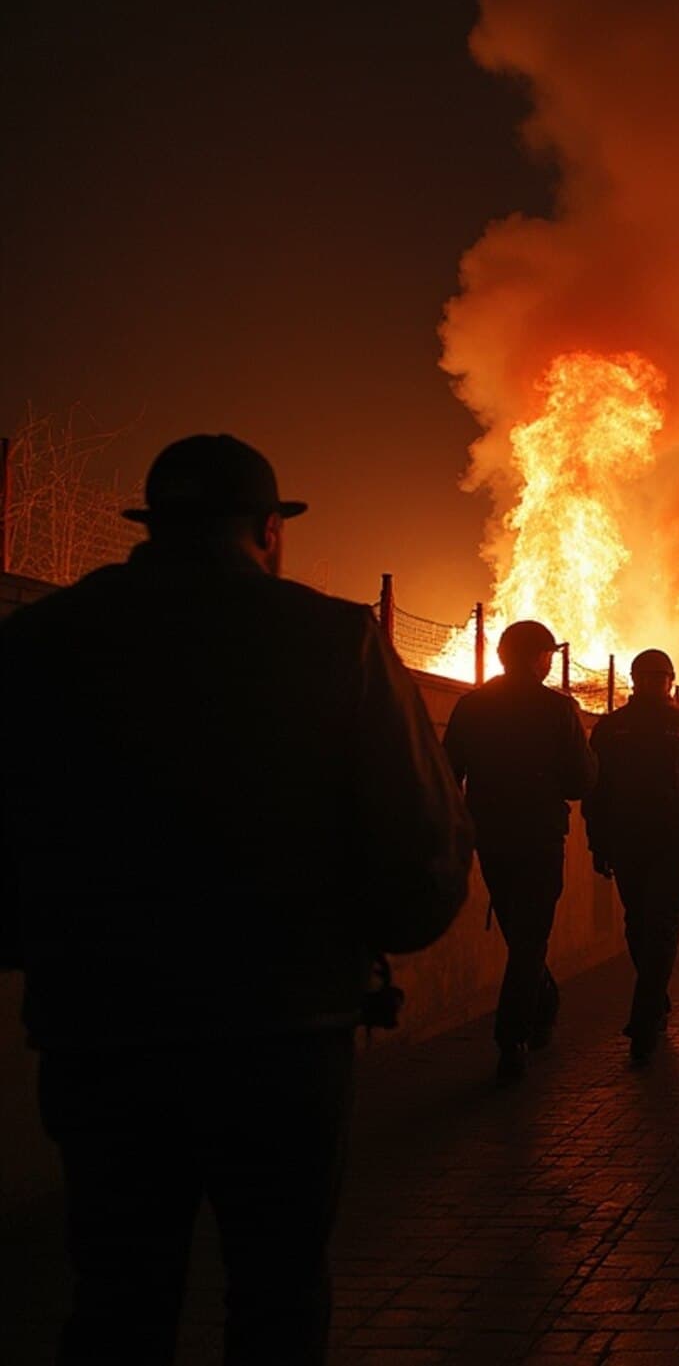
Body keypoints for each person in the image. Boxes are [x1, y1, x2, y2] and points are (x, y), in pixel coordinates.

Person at [0, 434, 474, 1365]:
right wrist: (375, 938)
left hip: (100, 1031)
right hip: (285, 1030)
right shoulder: (337, 641)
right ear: (270, 530)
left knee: (116, 1294)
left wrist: (48, 950)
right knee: (277, 1291)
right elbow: (419, 839)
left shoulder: (37, 640)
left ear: (150, 525)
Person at [440, 619, 597, 1084]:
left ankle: (544, 1007)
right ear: (537, 657)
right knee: (529, 938)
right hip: (539, 839)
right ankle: (512, 1037)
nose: (551, 662)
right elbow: (580, 782)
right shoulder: (557, 710)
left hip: (491, 839)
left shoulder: (472, 706)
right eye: (548, 654)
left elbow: (447, 770)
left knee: (520, 934)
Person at [584, 650, 679, 1065]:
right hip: (631, 842)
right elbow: (597, 793)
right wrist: (598, 842)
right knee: (640, 925)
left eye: (656, 677)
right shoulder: (611, 729)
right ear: (634, 680)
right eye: (643, 677)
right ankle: (654, 1001)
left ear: (670, 681)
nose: (650, 683)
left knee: (659, 926)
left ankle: (643, 1018)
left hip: (671, 842)